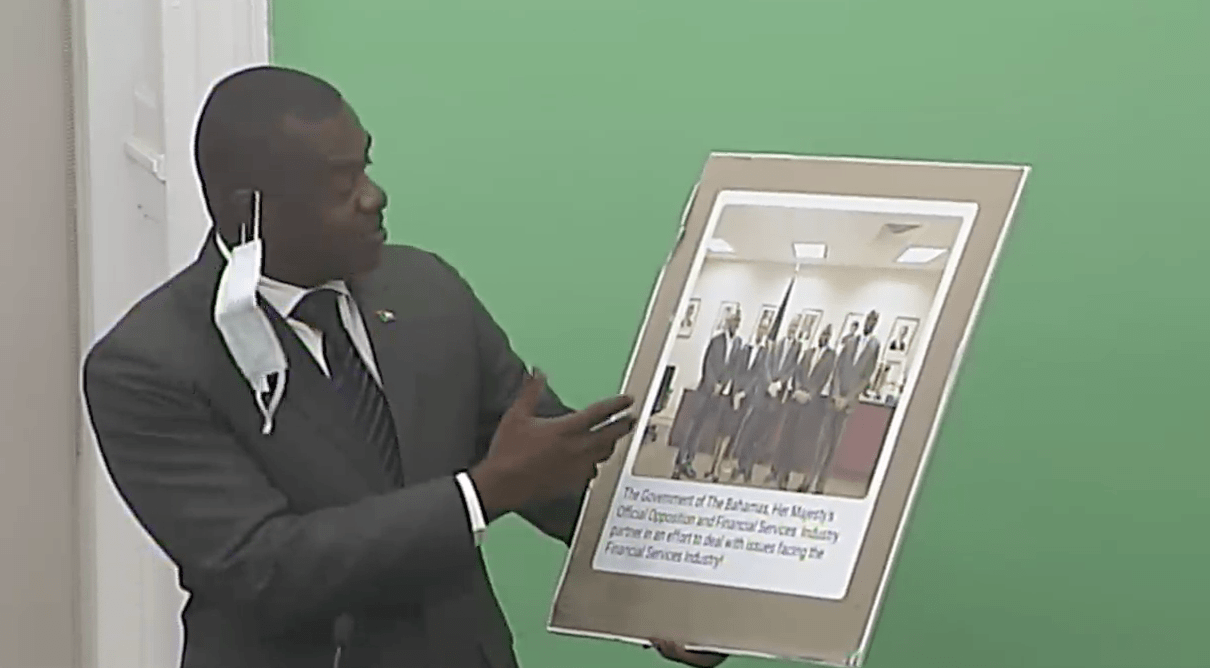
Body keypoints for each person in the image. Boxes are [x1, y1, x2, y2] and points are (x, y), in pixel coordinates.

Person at [80, 66, 724, 668]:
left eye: (366, 167)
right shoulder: (149, 366)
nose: (374, 197)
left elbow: (545, 466)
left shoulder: (425, 291)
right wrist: (478, 496)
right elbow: (262, 567)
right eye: (342, 186)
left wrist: (682, 596)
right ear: (246, 209)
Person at [802, 309, 881, 494]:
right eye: (868, 319)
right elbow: (837, 368)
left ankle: (820, 485)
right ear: (864, 320)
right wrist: (836, 393)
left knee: (833, 445)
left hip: (848, 404)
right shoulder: (850, 341)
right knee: (821, 442)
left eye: (873, 321)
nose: (870, 323)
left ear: (876, 324)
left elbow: (866, 377)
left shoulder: (874, 346)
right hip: (833, 399)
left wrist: (847, 399)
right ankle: (808, 480)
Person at [673, 307, 742, 480]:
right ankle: (679, 462)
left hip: (718, 395)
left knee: (700, 429)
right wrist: (713, 384)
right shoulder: (716, 341)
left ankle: (689, 462)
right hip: (706, 390)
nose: (735, 324)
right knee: (692, 427)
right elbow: (707, 364)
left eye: (738, 322)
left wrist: (722, 385)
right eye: (733, 321)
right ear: (727, 322)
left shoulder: (738, 344)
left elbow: (732, 368)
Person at [769, 325, 836, 489]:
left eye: (827, 335)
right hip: (796, 401)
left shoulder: (831, 357)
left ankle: (799, 478)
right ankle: (782, 474)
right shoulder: (808, 353)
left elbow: (823, 379)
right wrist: (798, 389)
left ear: (830, 338)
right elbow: (797, 372)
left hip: (812, 405)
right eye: (822, 334)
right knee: (787, 438)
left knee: (801, 442)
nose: (823, 337)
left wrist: (809, 395)